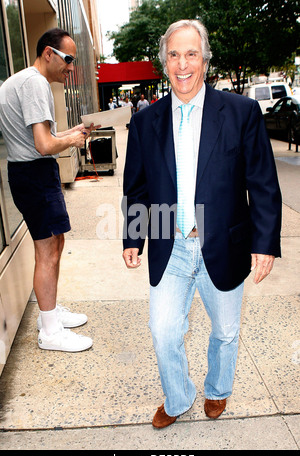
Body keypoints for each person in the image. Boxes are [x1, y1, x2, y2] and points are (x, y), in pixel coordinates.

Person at [122, 20, 282, 428]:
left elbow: (261, 183)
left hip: (223, 242)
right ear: (164, 62)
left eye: (191, 53)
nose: (182, 63)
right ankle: (178, 397)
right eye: (173, 54)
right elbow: (137, 185)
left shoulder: (241, 112)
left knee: (226, 331)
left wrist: (264, 243)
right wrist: (133, 236)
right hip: (169, 244)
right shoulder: (145, 122)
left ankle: (217, 390)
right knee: (163, 332)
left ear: (206, 61)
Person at [0, 28, 96, 353]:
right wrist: (72, 140)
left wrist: (74, 131)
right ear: (48, 54)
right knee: (47, 250)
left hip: (28, 173)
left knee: (55, 241)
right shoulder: (35, 84)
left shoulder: (25, 80)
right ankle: (50, 331)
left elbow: (40, 139)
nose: (71, 69)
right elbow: (44, 146)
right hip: (35, 175)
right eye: (68, 60)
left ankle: (49, 314)